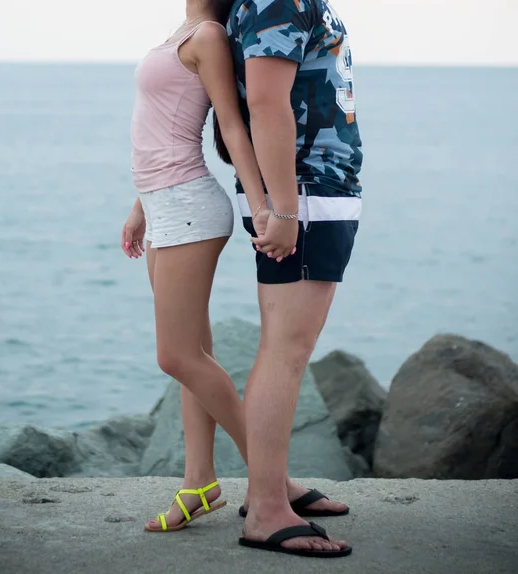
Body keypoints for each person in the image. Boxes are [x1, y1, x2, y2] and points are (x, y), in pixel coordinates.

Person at [122, 0, 352, 558]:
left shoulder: (209, 35)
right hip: (162, 203)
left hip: (189, 204)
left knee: (176, 355)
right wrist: (139, 206)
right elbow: (161, 127)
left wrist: (267, 206)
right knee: (193, 353)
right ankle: (198, 481)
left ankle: (274, 482)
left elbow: (232, 122)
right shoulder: (186, 29)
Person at [215, 0, 363, 558]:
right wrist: (281, 208)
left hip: (309, 190)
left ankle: (270, 490)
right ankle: (267, 510)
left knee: (281, 346)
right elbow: (265, 101)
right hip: (304, 192)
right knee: (287, 350)